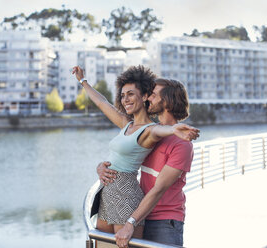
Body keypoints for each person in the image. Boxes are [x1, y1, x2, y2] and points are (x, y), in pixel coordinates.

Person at [71, 66, 199, 240]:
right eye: (123, 95)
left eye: (153, 95)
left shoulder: (170, 139)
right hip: (133, 207)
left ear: (167, 100)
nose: (149, 97)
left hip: (163, 219)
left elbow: (158, 189)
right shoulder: (133, 126)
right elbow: (103, 103)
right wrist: (82, 81)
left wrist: (175, 129)